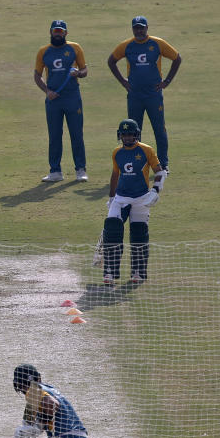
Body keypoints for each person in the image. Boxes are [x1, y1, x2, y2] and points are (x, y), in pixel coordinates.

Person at [107, 16, 181, 170]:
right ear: (132, 28)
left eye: (141, 27)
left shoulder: (157, 43)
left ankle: (163, 164)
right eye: (136, 28)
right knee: (134, 130)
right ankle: (136, 162)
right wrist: (123, 81)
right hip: (135, 95)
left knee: (159, 129)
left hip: (153, 95)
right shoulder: (127, 46)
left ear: (147, 28)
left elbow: (177, 58)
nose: (139, 30)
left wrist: (166, 81)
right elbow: (111, 61)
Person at [102, 119, 166, 286]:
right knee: (112, 232)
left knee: (139, 235)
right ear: (119, 136)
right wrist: (111, 198)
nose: (127, 138)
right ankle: (109, 272)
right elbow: (115, 175)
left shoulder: (146, 150)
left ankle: (138, 271)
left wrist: (155, 190)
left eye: (130, 134)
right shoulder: (117, 152)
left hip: (141, 198)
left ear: (136, 134)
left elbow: (160, 172)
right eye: (124, 135)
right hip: (121, 198)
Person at [33, 20, 89, 183]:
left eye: (61, 31)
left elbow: (85, 70)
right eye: (55, 31)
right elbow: (37, 75)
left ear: (66, 33)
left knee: (76, 134)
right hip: (53, 100)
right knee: (55, 135)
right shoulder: (44, 51)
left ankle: (80, 169)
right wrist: (47, 91)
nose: (58, 34)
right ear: (50, 32)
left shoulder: (75, 48)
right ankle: (55, 171)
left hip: (72, 97)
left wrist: (78, 73)